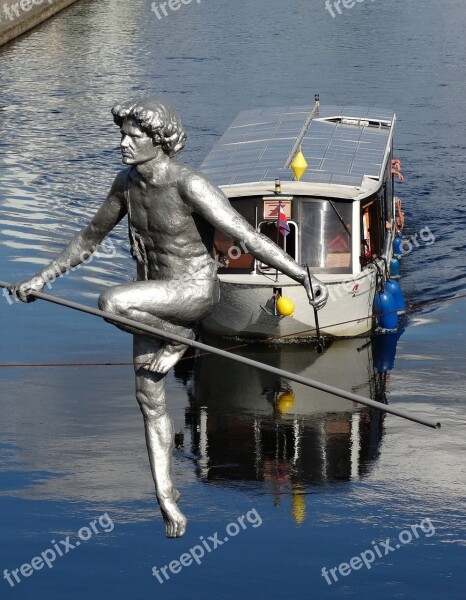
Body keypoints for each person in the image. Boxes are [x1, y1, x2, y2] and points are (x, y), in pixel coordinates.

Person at [10, 98, 328, 538]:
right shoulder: (125, 184)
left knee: (111, 302)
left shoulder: (189, 184)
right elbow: (88, 238)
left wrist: (301, 275)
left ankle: (178, 342)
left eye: (133, 137)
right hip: (154, 302)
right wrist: (41, 279)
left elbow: (245, 236)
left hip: (194, 292)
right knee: (149, 399)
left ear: (158, 141)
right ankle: (165, 497)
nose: (122, 144)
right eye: (121, 134)